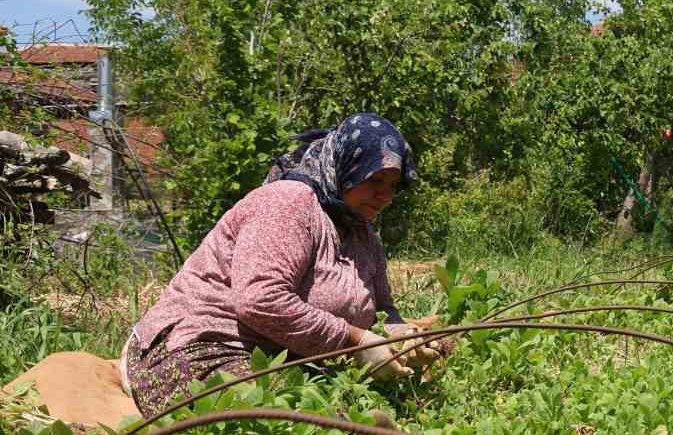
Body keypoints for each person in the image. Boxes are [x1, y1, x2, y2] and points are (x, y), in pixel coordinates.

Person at [122, 114, 439, 417]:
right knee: (291, 421)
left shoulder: (362, 234)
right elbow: (261, 300)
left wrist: (403, 336)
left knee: (342, 419)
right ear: (347, 168)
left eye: (394, 185)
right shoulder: (287, 204)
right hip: (198, 348)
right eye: (375, 180)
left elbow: (383, 309)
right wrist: (355, 341)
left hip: (280, 360)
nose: (386, 195)